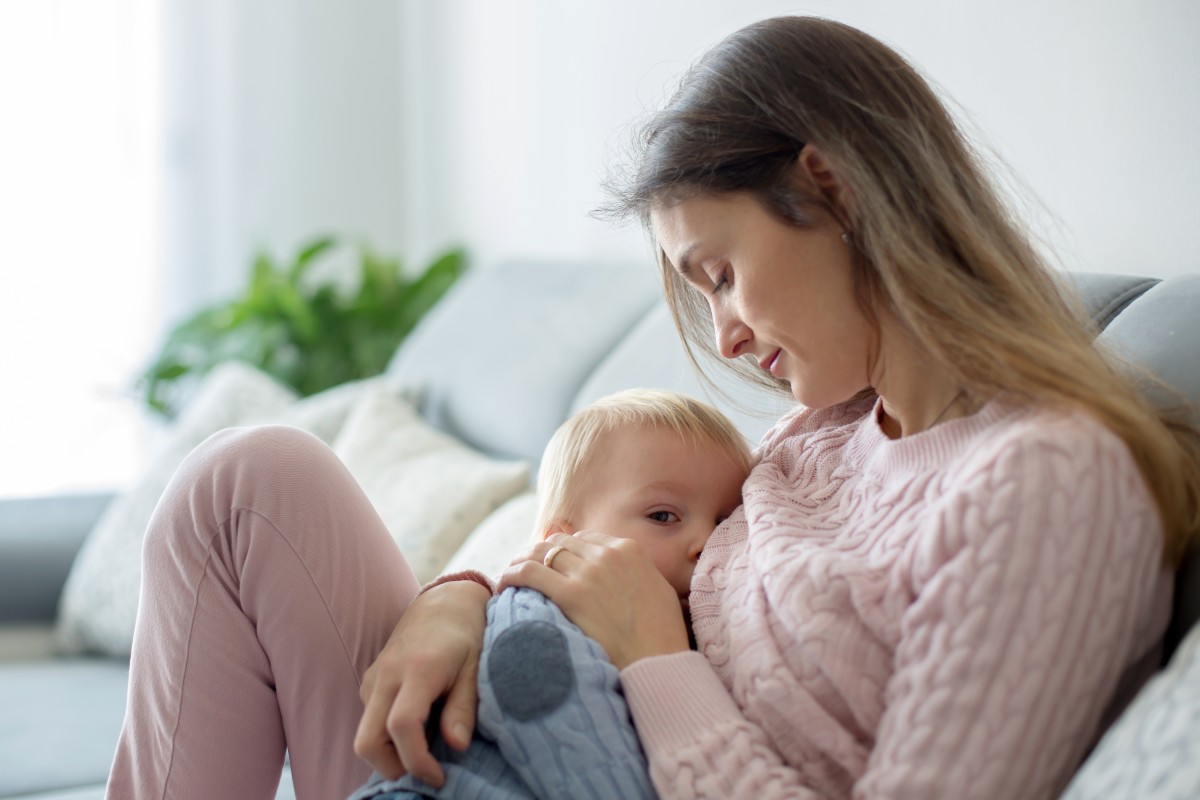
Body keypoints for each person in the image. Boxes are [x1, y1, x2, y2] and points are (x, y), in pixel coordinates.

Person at [105, 16, 1200, 800]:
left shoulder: (1050, 479)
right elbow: (609, 537)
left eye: (720, 272)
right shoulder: (813, 437)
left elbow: (645, 623)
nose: (724, 337)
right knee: (249, 481)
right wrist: (464, 595)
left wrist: (653, 661)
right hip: (516, 748)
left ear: (836, 190)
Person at [350, 389, 749, 799]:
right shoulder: (538, 611)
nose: (706, 541)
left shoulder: (710, 640)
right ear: (563, 542)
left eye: (725, 521)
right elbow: (553, 725)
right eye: (663, 516)